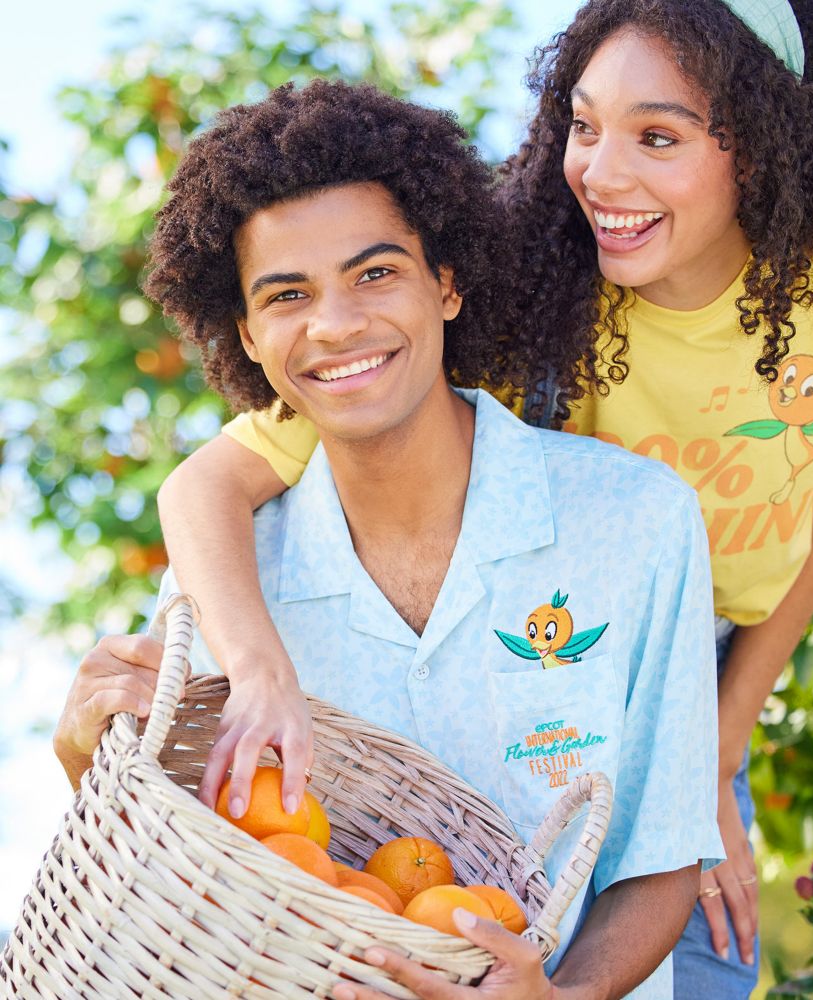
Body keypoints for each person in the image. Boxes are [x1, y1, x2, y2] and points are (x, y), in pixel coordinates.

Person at [155, 1, 813, 996]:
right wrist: (257, 670)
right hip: (544, 654)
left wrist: (716, 744)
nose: (601, 174)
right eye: (582, 124)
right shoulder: (525, 275)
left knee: (696, 937)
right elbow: (216, 477)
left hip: (709, 657)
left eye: (657, 135)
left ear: (768, 140)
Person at [53, 79, 724, 1000]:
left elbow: (657, 859)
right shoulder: (232, 577)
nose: (336, 325)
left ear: (446, 283)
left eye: (375, 274)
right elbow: (185, 862)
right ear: (248, 337)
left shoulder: (636, 520)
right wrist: (82, 760)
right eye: (288, 295)